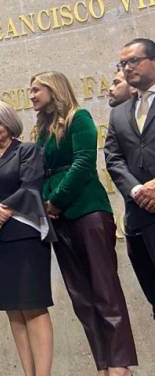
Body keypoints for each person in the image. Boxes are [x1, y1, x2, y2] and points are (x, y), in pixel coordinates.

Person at [31, 71, 137, 376]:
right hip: (57, 219)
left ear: (54, 89)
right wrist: (44, 203)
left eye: (37, 89)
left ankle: (120, 363)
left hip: (87, 210)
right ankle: (102, 364)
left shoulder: (80, 118)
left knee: (105, 290)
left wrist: (57, 200)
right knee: (81, 296)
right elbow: (37, 172)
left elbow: (83, 163)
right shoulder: (42, 130)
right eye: (30, 90)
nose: (32, 95)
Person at [0, 101, 54, 376]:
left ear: (10, 123)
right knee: (13, 310)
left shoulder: (28, 151)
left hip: (25, 236)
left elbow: (30, 186)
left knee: (33, 306)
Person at [105, 38, 155, 319]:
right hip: (138, 217)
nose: (127, 68)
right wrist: (136, 190)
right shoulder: (120, 112)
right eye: (123, 63)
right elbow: (113, 158)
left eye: (133, 61)